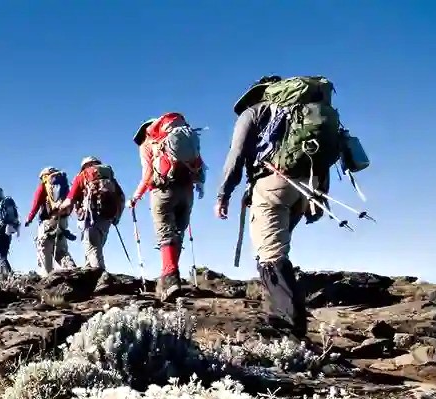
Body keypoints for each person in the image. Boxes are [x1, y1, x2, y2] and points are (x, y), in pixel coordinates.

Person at [214, 75, 318, 336]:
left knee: (270, 255)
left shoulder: (254, 112)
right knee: (277, 248)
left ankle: (290, 331)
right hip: (308, 186)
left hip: (273, 184)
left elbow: (236, 155)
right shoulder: (301, 111)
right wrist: (319, 196)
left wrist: (223, 194)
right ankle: (278, 317)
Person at [130, 112, 206, 301]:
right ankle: (169, 275)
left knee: (165, 233)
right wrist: (200, 184)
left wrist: (136, 196)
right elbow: (200, 164)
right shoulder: (182, 137)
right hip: (187, 191)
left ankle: (170, 278)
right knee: (177, 233)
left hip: (163, 191)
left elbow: (148, 174)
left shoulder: (148, 145)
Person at [56, 156, 125, 270]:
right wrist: (117, 218)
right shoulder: (110, 178)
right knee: (94, 250)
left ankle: (102, 281)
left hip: (89, 219)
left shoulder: (82, 176)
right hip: (106, 219)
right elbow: (121, 198)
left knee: (92, 251)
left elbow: (69, 201)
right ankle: (91, 281)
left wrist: (59, 208)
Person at [24, 166, 77, 275]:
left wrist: (29, 218)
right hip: (62, 220)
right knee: (61, 250)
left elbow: (36, 204)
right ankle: (72, 270)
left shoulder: (44, 185)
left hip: (48, 221)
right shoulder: (64, 184)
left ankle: (46, 275)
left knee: (44, 249)